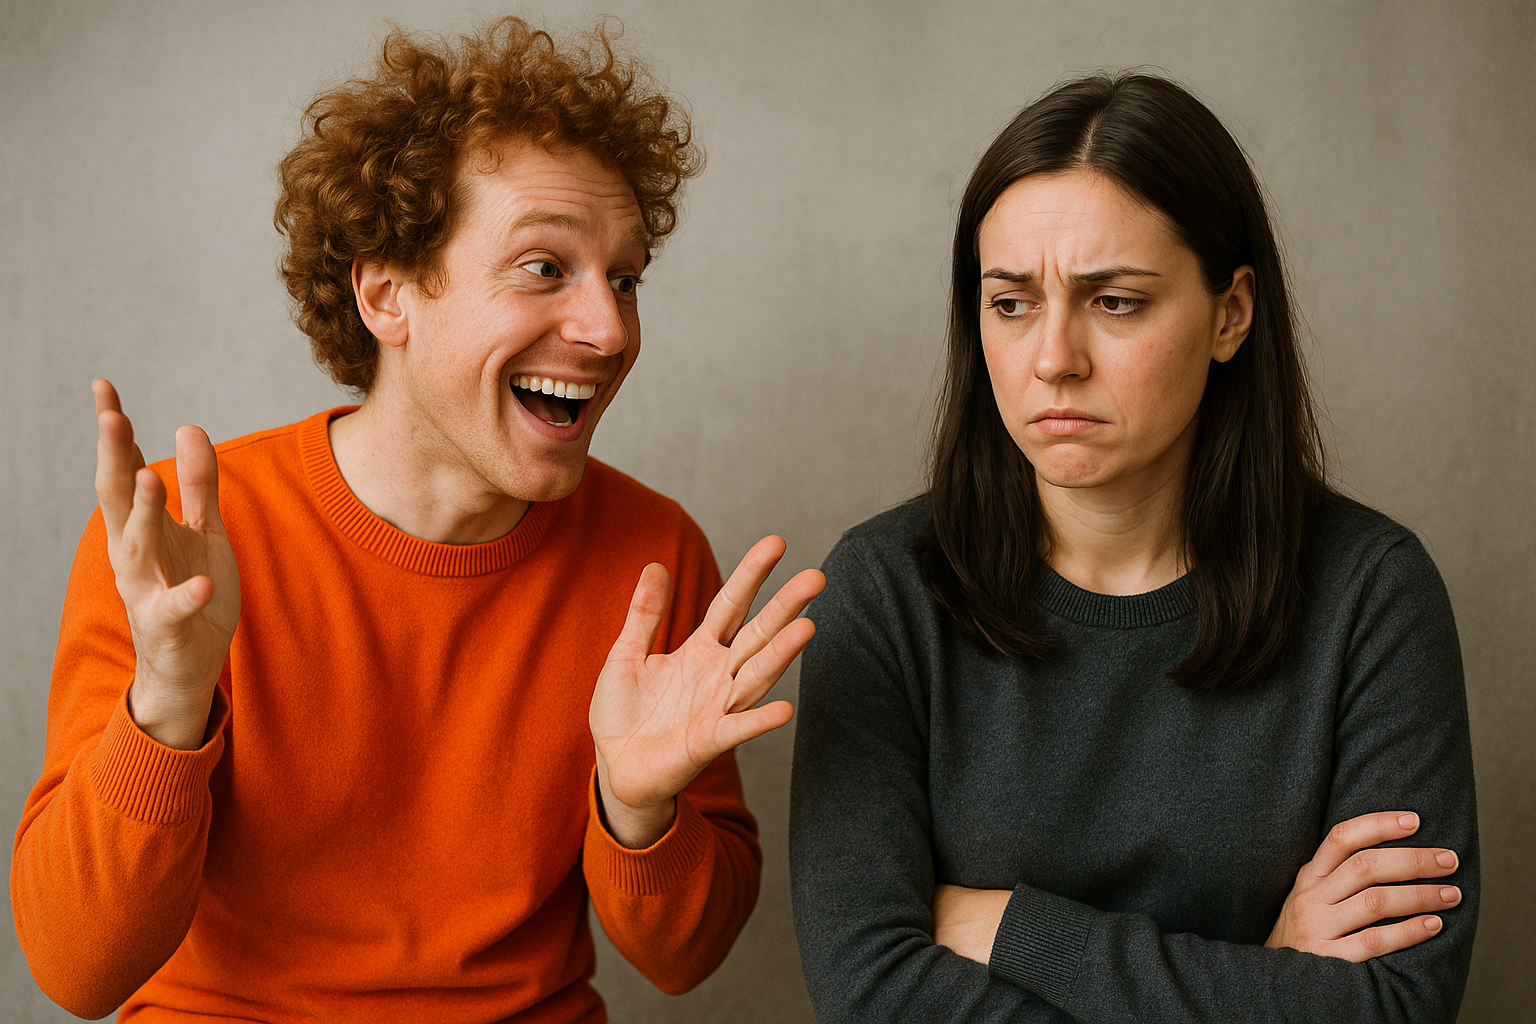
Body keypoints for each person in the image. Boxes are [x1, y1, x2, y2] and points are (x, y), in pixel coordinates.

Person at [12, 16, 823, 1022]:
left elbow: (683, 958)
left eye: (624, 277)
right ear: (389, 295)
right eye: (544, 267)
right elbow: (74, 969)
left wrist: (641, 804)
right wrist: (172, 697)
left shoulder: (653, 558)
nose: (611, 329)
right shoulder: (182, 539)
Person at [789, 73, 1477, 1023]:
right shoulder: (883, 592)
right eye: (1011, 302)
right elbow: (867, 995)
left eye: (1114, 302)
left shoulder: (1372, 596)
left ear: (1230, 314)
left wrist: (1010, 930)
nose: (1053, 357)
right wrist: (1264, 975)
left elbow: (1395, 1006)